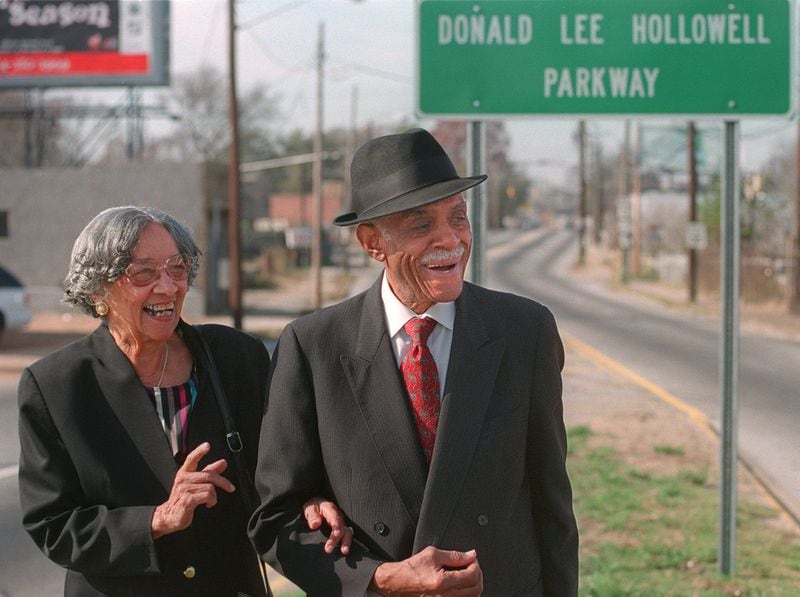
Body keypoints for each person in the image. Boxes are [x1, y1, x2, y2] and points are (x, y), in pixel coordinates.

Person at [248, 128, 579, 595]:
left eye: (458, 217)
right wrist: (382, 578)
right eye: (421, 225)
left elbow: (553, 509)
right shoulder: (313, 347)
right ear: (372, 242)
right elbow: (276, 523)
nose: (450, 239)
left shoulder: (525, 331)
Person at [18, 206, 350, 597]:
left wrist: (309, 497)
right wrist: (157, 520)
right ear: (98, 289)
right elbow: (53, 526)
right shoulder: (57, 386)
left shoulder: (236, 357)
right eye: (144, 272)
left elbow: (282, 462)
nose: (168, 287)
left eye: (177, 269)